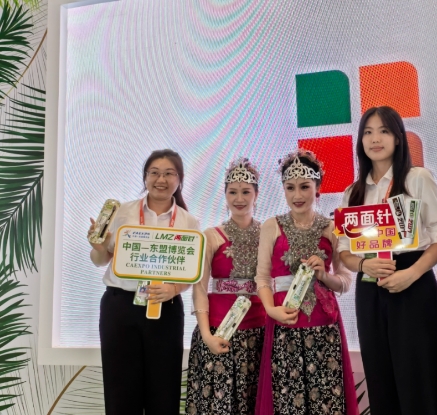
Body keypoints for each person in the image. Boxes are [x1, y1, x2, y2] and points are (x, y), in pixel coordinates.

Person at [338, 106, 437, 414]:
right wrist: (363, 265)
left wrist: (411, 274)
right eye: (368, 132)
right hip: (370, 284)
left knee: (419, 375)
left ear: (398, 138)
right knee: (379, 375)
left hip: (413, 282)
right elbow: (344, 251)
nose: (375, 139)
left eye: (384, 131)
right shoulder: (353, 192)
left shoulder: (417, 178)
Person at [88, 149, 199, 415]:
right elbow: (99, 260)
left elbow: (189, 274)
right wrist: (100, 246)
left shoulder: (189, 221)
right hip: (120, 306)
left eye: (169, 173)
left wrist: (173, 289)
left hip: (165, 308)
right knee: (120, 389)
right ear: (145, 177)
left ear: (179, 179)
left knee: (164, 390)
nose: (161, 179)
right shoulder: (122, 212)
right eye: (154, 173)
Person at [254, 150, 358, 415]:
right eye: (290, 188)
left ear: (318, 188)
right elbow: (262, 277)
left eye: (304, 187)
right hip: (285, 321)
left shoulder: (332, 227)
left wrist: (323, 276)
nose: (297, 195)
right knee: (288, 401)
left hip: (325, 326)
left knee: (328, 400)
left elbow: (345, 281)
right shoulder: (271, 226)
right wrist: (270, 310)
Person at [185, 158, 265, 415]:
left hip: (260, 333)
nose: (239, 199)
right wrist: (206, 335)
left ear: (256, 194)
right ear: (225, 194)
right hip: (219, 332)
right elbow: (199, 288)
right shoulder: (212, 235)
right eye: (232, 192)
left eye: (246, 192)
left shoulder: (268, 233)